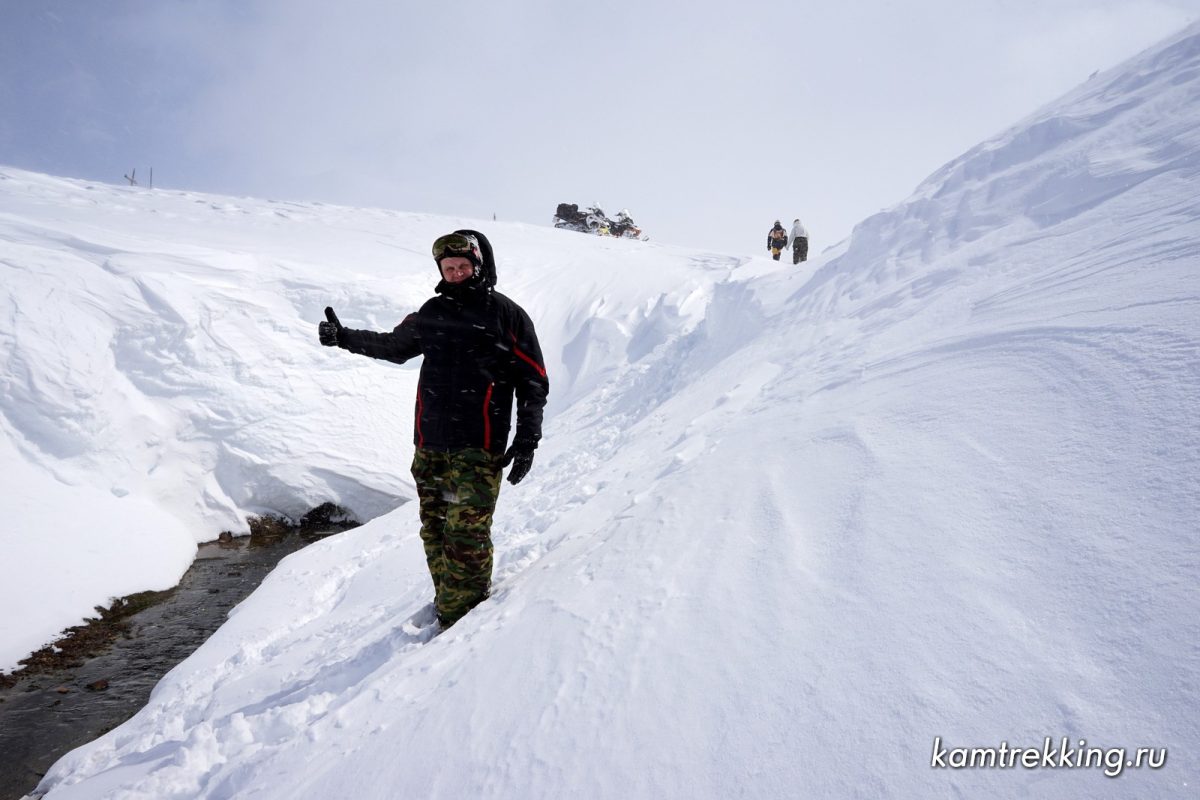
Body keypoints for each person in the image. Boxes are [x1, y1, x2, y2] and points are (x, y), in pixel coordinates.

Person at [318, 230, 549, 629]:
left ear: (479, 266)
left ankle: (465, 622)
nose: (456, 273)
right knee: (436, 532)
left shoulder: (506, 314)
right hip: (430, 446)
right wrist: (344, 338)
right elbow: (394, 346)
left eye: (463, 266)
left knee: (466, 536)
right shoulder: (431, 311)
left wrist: (527, 438)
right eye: (449, 267)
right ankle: (451, 606)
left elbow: (533, 380)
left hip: (479, 447)